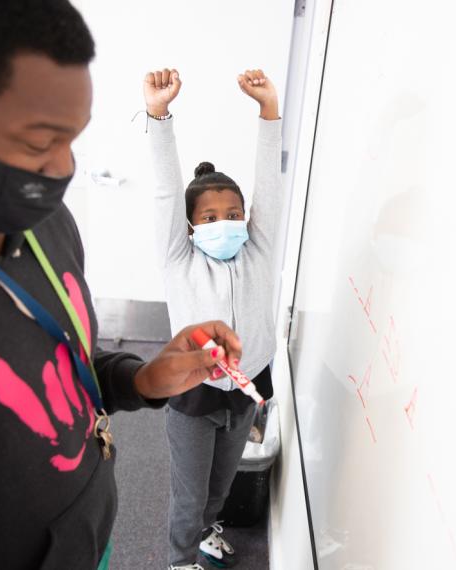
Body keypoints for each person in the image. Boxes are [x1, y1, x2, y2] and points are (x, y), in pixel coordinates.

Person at [0, 1, 242, 568]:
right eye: (38, 140)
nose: (61, 169)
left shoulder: (44, 222)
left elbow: (65, 359)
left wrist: (145, 378)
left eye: (73, 138)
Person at [142, 67, 282, 569]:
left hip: (246, 388)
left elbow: (272, 185)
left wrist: (269, 111)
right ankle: (181, 560)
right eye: (208, 217)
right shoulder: (179, 260)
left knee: (221, 483)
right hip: (193, 392)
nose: (223, 223)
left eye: (232, 214)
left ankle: (208, 533)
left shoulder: (259, 252)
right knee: (189, 490)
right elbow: (164, 192)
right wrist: (159, 116)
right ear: (190, 226)